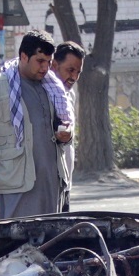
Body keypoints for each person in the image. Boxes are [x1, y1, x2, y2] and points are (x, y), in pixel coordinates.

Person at [0, 30, 73, 220]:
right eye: (40, 61)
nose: (45, 68)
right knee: (17, 245)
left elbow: (59, 126)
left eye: (49, 62)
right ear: (24, 56)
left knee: (50, 244)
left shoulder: (51, 88)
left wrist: (66, 135)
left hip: (49, 184)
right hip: (15, 188)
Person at [51, 40, 86, 210]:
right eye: (70, 70)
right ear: (54, 65)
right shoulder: (44, 92)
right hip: (48, 182)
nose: (73, 77)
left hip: (65, 180)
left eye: (78, 72)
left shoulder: (69, 93)